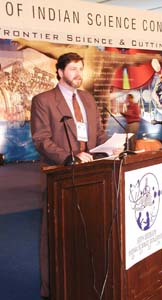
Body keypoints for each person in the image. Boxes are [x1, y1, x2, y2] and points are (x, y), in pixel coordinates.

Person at [31, 52, 107, 299]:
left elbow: (98, 134)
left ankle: (84, 280)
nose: (78, 73)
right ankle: (51, 288)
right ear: (60, 72)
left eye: (81, 68)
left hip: (93, 174)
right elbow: (41, 139)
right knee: (54, 234)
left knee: (88, 229)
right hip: (60, 175)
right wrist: (68, 157)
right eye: (73, 68)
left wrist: (113, 147)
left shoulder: (87, 98)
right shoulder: (44, 100)